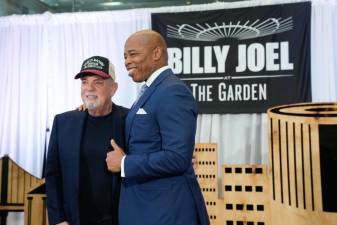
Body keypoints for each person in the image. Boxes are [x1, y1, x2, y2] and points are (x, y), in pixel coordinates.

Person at [106, 30, 210, 225]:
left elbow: (178, 157)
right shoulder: (153, 90)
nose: (127, 61)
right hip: (147, 208)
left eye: (133, 54)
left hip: (165, 211)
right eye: (125, 56)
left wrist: (124, 164)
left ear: (156, 53)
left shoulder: (172, 91)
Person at [45, 56, 128, 225]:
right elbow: (53, 176)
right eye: (84, 82)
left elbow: (146, 161)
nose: (89, 88)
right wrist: (58, 219)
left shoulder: (129, 120)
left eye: (98, 82)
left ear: (113, 88)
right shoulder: (63, 122)